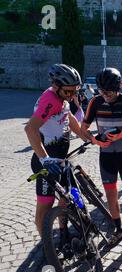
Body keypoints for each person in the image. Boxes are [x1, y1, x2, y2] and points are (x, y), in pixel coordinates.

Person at [81, 68, 122, 248]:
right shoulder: (95, 101)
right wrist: (94, 140)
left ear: (118, 88)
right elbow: (83, 129)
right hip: (106, 156)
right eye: (101, 91)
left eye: (108, 92)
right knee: (110, 194)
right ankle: (118, 229)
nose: (104, 95)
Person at [25, 64, 85, 237]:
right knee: (45, 205)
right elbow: (30, 129)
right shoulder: (50, 99)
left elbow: (70, 118)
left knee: (66, 197)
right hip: (47, 161)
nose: (72, 95)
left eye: (75, 91)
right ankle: (46, 244)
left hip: (60, 157)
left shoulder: (62, 99)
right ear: (55, 86)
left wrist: (88, 138)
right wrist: (45, 159)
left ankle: (63, 230)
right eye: (68, 92)